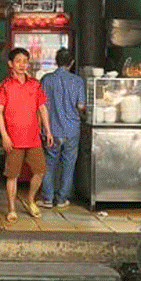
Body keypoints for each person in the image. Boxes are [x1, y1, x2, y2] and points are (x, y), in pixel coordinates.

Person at [0, 47, 54, 223]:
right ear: (10, 64)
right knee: (12, 175)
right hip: (13, 139)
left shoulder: (35, 84)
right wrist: (4, 135)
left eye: (25, 61)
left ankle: (30, 200)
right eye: (18, 61)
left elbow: (42, 108)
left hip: (34, 137)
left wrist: (48, 131)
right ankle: (12, 209)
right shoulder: (5, 86)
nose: (22, 65)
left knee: (40, 171)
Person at [38, 48, 85, 209]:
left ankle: (48, 199)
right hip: (72, 129)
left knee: (49, 164)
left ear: (56, 61)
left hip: (52, 129)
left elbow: (41, 105)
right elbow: (80, 105)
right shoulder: (78, 81)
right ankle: (62, 199)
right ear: (71, 63)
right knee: (68, 164)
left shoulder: (46, 80)